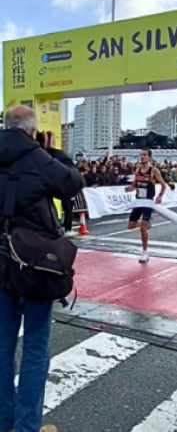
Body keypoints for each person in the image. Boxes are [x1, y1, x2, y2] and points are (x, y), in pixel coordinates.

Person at [0, 105, 84, 432]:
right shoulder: (39, 158)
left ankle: (5, 423)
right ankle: (27, 427)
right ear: (32, 131)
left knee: (3, 347)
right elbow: (72, 183)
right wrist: (54, 152)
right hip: (34, 266)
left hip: (0, 265)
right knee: (35, 345)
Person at [126, 148, 169, 263]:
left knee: (143, 228)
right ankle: (146, 222)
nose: (142, 157)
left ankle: (144, 252)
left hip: (148, 201)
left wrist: (160, 196)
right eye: (141, 155)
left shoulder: (153, 171)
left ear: (149, 157)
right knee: (130, 226)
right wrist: (130, 188)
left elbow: (164, 185)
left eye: (144, 155)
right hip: (138, 201)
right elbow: (135, 184)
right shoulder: (138, 169)